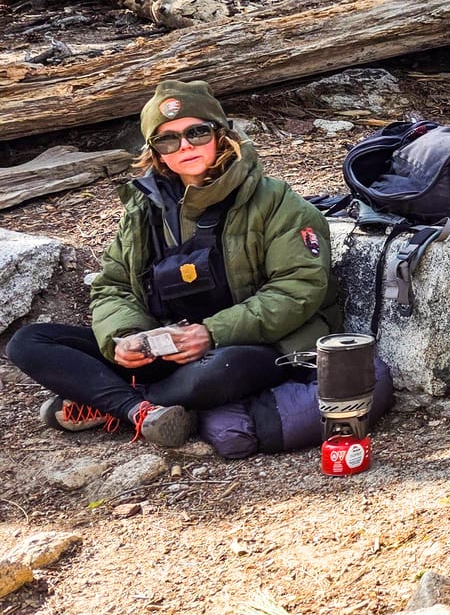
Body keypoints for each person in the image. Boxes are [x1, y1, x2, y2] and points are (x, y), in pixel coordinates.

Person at [8, 81, 342, 449]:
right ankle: (139, 410)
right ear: (156, 152)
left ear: (221, 135)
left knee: (214, 374)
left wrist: (211, 333)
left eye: (197, 133)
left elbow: (298, 289)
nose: (184, 146)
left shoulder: (278, 202)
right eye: (167, 140)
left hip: (249, 347)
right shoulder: (142, 209)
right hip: (167, 347)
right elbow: (113, 286)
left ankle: (107, 399)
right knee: (29, 341)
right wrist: (126, 336)